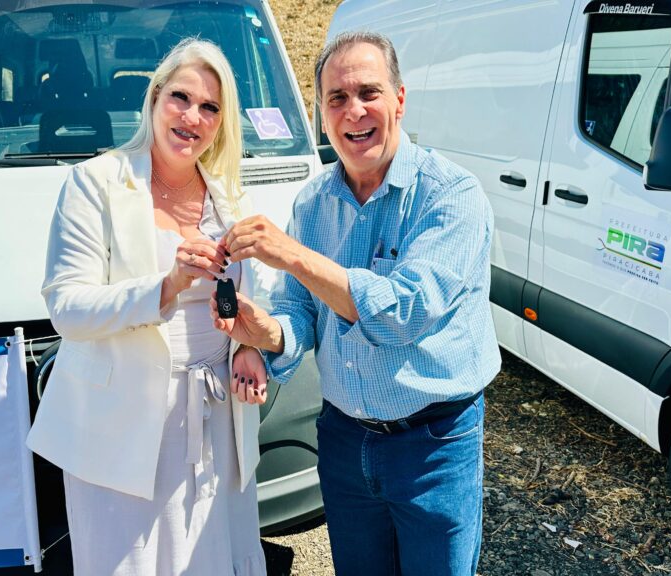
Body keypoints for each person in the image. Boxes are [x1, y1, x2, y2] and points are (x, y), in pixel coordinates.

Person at [212, 31, 501, 575]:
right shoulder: (314, 201)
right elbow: (301, 310)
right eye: (337, 98)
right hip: (343, 439)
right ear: (322, 115)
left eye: (369, 92)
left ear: (400, 100)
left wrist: (293, 255)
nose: (354, 111)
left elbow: (404, 314)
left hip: (433, 444)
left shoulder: (451, 195)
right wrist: (265, 333)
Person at [27, 38, 269, 576]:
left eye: (210, 107)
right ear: (155, 97)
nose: (192, 117)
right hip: (121, 428)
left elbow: (242, 291)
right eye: (181, 97)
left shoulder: (229, 195)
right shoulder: (94, 182)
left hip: (216, 421)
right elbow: (67, 306)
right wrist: (166, 285)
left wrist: (247, 349)